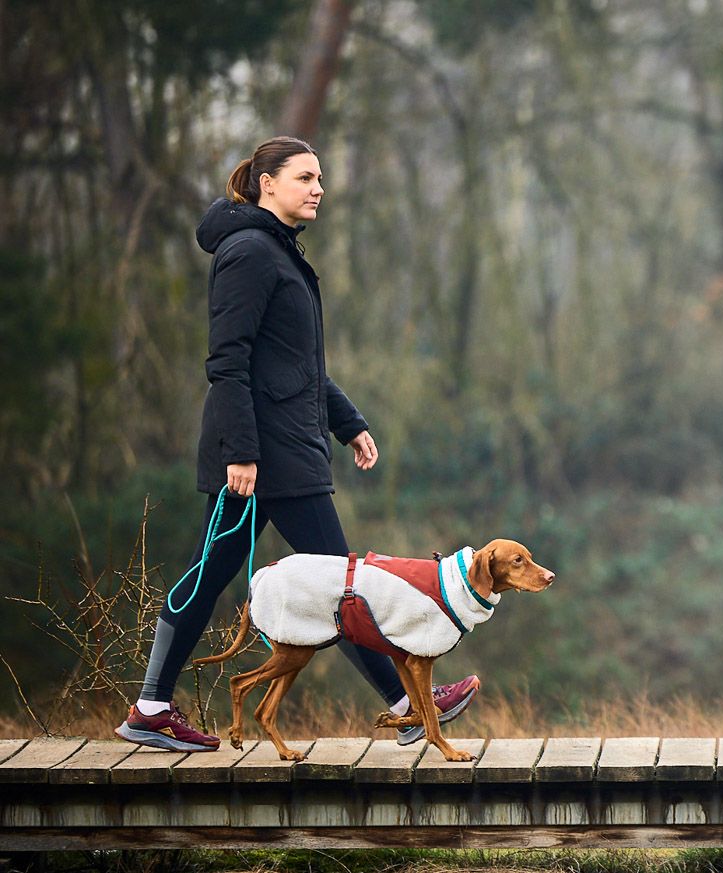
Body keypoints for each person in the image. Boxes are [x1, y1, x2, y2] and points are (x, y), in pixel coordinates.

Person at [115, 136, 479, 751]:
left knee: (226, 576)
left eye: (320, 179)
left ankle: (151, 706)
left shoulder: (277, 252)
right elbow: (227, 362)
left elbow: (297, 363)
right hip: (263, 460)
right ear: (267, 185)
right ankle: (407, 703)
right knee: (346, 582)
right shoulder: (251, 254)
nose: (318, 188)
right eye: (306, 177)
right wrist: (240, 452)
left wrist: (349, 423)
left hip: (280, 450)